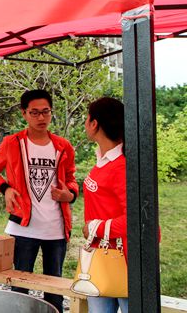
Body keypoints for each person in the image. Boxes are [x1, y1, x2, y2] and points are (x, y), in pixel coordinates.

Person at [0, 90, 78, 313]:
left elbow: (71, 179)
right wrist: (5, 188)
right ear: (24, 113)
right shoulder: (12, 143)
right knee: (19, 285)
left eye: (46, 112)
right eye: (34, 112)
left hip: (56, 229)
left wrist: (70, 195)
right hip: (23, 227)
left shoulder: (63, 146)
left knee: (54, 287)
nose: (41, 117)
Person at [82, 97, 128, 313]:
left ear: (94, 124)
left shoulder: (122, 166)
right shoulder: (103, 160)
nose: (85, 123)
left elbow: (137, 218)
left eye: (87, 118)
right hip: (99, 257)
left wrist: (94, 227)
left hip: (126, 259)